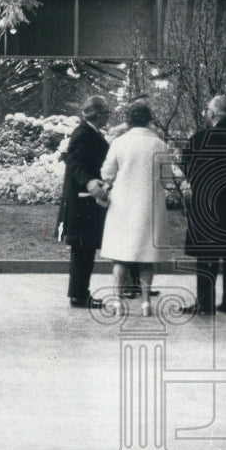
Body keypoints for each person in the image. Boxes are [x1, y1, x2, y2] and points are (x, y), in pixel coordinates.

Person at [98, 99, 172, 316]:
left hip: (123, 205)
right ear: (149, 119)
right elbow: (166, 178)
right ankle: (146, 302)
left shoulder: (120, 143)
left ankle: (119, 301)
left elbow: (107, 175)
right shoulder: (160, 144)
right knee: (146, 257)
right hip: (149, 205)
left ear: (128, 120)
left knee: (121, 255)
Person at [180, 94, 226, 315]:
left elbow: (187, 165)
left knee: (206, 255)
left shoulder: (201, 138)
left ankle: (205, 303)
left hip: (207, 204)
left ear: (212, 114)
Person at [56, 96, 111, 308]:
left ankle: (80, 293)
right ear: (97, 115)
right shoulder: (83, 134)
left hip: (85, 204)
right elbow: (75, 165)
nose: (109, 116)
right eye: (107, 112)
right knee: (82, 250)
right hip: (82, 204)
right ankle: (79, 295)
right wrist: (88, 182)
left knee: (85, 250)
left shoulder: (89, 133)